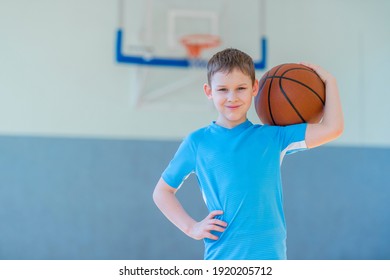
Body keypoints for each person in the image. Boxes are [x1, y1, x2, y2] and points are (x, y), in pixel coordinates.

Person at [152, 48, 344, 260]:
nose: (232, 97)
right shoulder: (197, 142)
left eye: (240, 88)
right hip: (223, 259)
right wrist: (192, 228)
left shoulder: (274, 138)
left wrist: (329, 81)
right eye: (223, 89)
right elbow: (162, 192)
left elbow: (332, 128)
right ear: (209, 91)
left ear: (255, 88)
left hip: (271, 258)